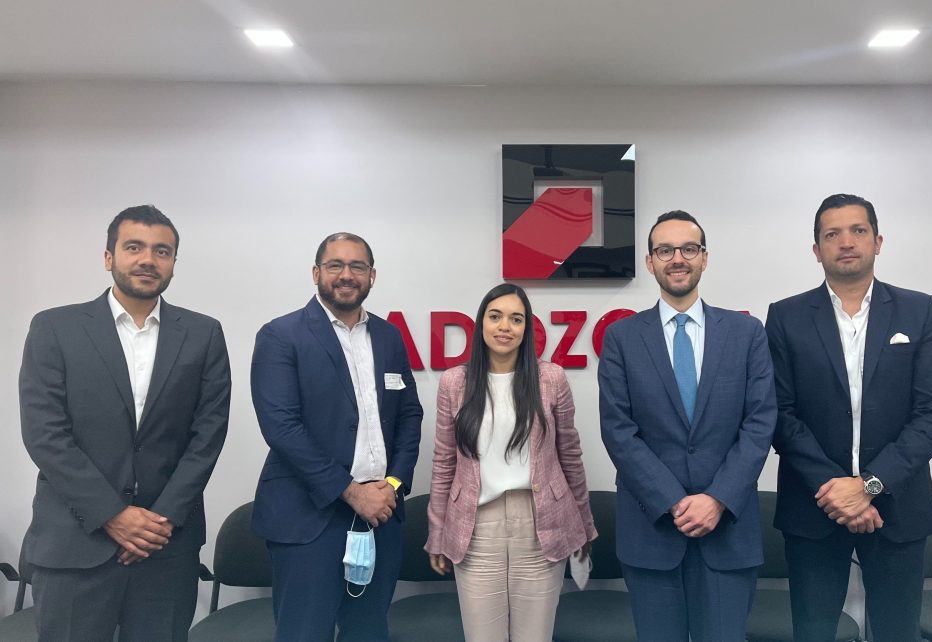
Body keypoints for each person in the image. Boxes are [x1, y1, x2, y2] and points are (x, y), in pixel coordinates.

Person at [19, 205, 231, 641]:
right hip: (75, 545)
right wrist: (112, 515)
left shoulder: (204, 333)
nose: (148, 259)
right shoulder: (55, 328)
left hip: (165, 548)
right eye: (134, 247)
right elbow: (45, 434)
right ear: (108, 257)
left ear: (173, 262)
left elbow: (207, 435)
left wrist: (160, 521)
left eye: (162, 251)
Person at [766, 193, 932, 642]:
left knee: (896, 633)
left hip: (898, 507)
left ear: (878, 241)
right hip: (815, 506)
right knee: (813, 632)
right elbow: (779, 413)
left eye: (858, 230)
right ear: (817, 250)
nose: (846, 242)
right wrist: (837, 491)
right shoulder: (786, 317)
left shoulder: (919, 311)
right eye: (832, 234)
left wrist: (868, 486)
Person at [598, 210, 776, 642]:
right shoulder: (622, 338)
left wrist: (717, 498)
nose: (677, 258)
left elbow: (760, 422)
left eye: (688, 249)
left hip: (727, 531)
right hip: (652, 530)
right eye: (665, 250)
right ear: (650, 262)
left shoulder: (746, 333)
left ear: (705, 258)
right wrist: (674, 501)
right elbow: (618, 430)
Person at [251, 232, 422, 642]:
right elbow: (282, 427)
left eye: (357, 266)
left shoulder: (389, 336)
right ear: (316, 273)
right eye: (335, 265)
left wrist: (392, 485)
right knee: (304, 634)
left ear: (372, 275)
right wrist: (351, 491)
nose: (346, 275)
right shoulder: (281, 335)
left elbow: (409, 415)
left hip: (380, 514)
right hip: (309, 519)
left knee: (369, 632)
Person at [425, 283, 597, 642]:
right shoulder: (455, 382)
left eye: (516, 319)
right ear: (481, 323)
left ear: (526, 329)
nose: (505, 326)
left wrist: (584, 524)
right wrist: (437, 534)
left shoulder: (551, 378)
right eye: (496, 316)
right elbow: (444, 463)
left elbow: (570, 455)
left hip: (541, 523)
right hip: (476, 528)